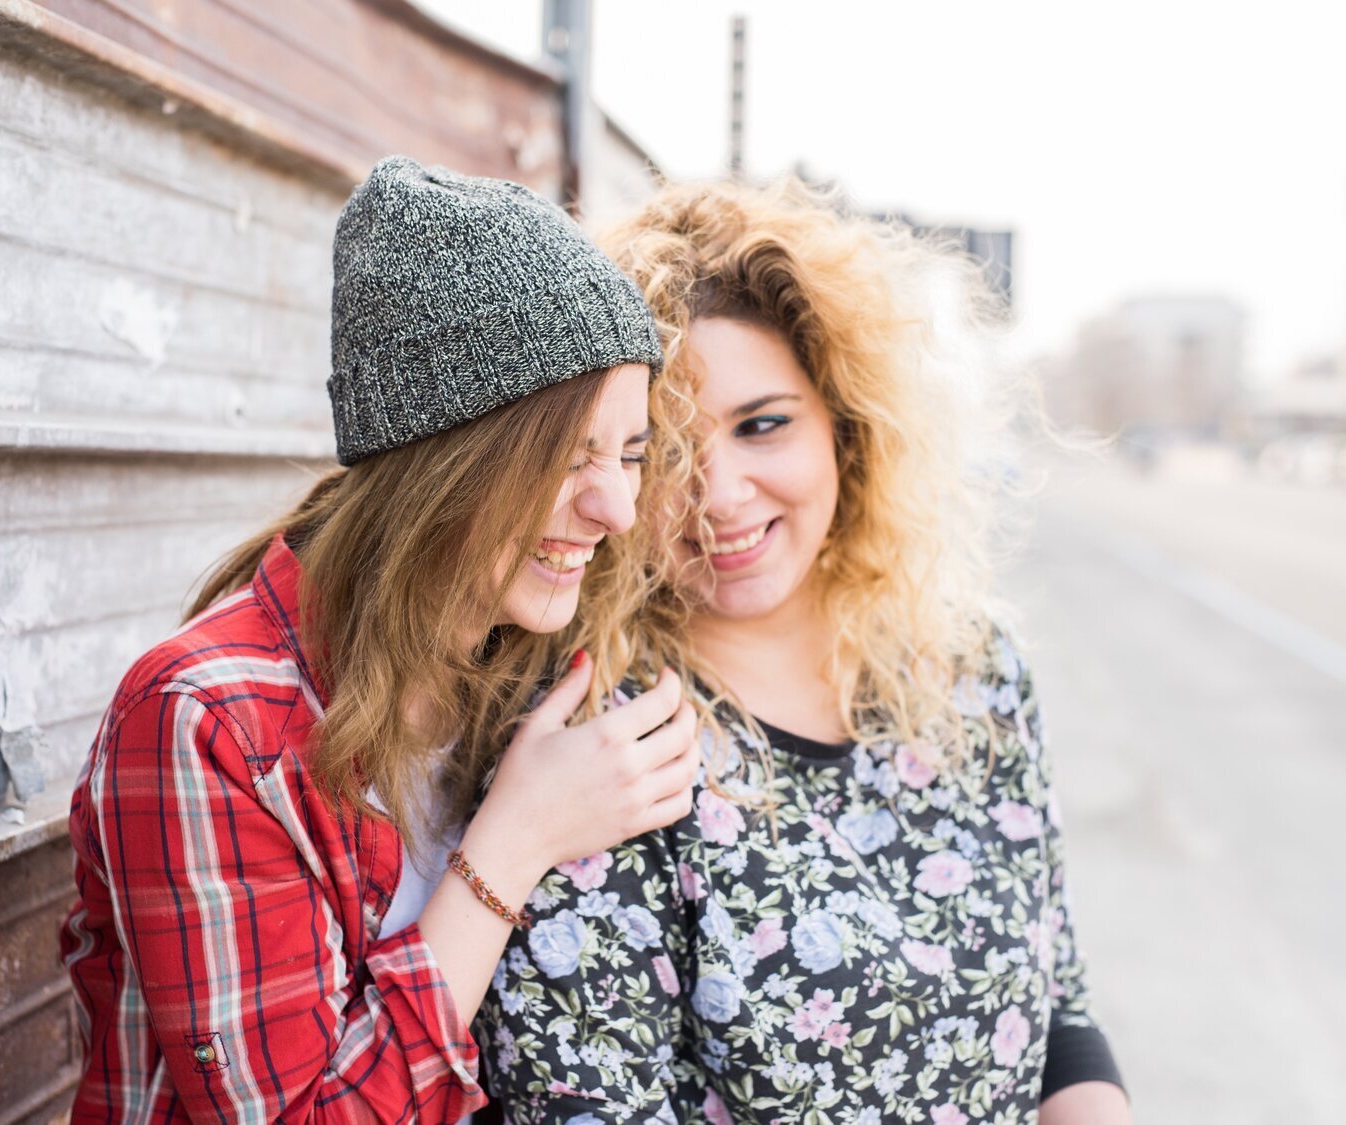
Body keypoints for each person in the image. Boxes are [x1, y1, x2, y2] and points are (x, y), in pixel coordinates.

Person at [59, 156, 701, 1123]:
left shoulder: (526, 667)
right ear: (441, 460)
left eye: (629, 453)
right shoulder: (205, 723)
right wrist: (517, 839)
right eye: (570, 458)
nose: (613, 504)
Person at [478, 179, 1130, 1123]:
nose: (722, 494)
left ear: (845, 426)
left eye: (763, 423)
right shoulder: (599, 744)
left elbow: (1059, 1008)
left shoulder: (974, 670)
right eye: (663, 451)